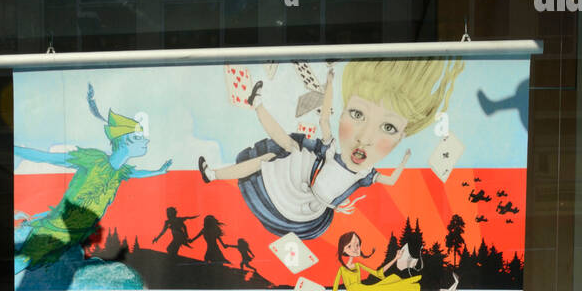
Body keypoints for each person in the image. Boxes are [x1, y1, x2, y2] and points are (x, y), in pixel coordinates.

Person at [198, 57, 463, 240]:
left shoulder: (365, 174)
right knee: (281, 150)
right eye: (358, 114)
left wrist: (404, 161)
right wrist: (330, 83)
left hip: (305, 206)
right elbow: (324, 118)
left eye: (388, 128)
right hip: (301, 185)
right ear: (344, 111)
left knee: (276, 154)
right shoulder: (333, 150)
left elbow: (392, 180)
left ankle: (254, 110)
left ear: (402, 136)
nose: (365, 138)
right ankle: (254, 109)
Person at [14, 88, 171, 276]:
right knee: (26, 260)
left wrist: (158, 171)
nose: (146, 141)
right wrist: (15, 149)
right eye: (138, 137)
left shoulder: (120, 171)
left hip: (75, 234)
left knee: (37, 265)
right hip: (58, 228)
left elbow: (137, 174)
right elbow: (49, 158)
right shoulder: (94, 159)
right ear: (125, 141)